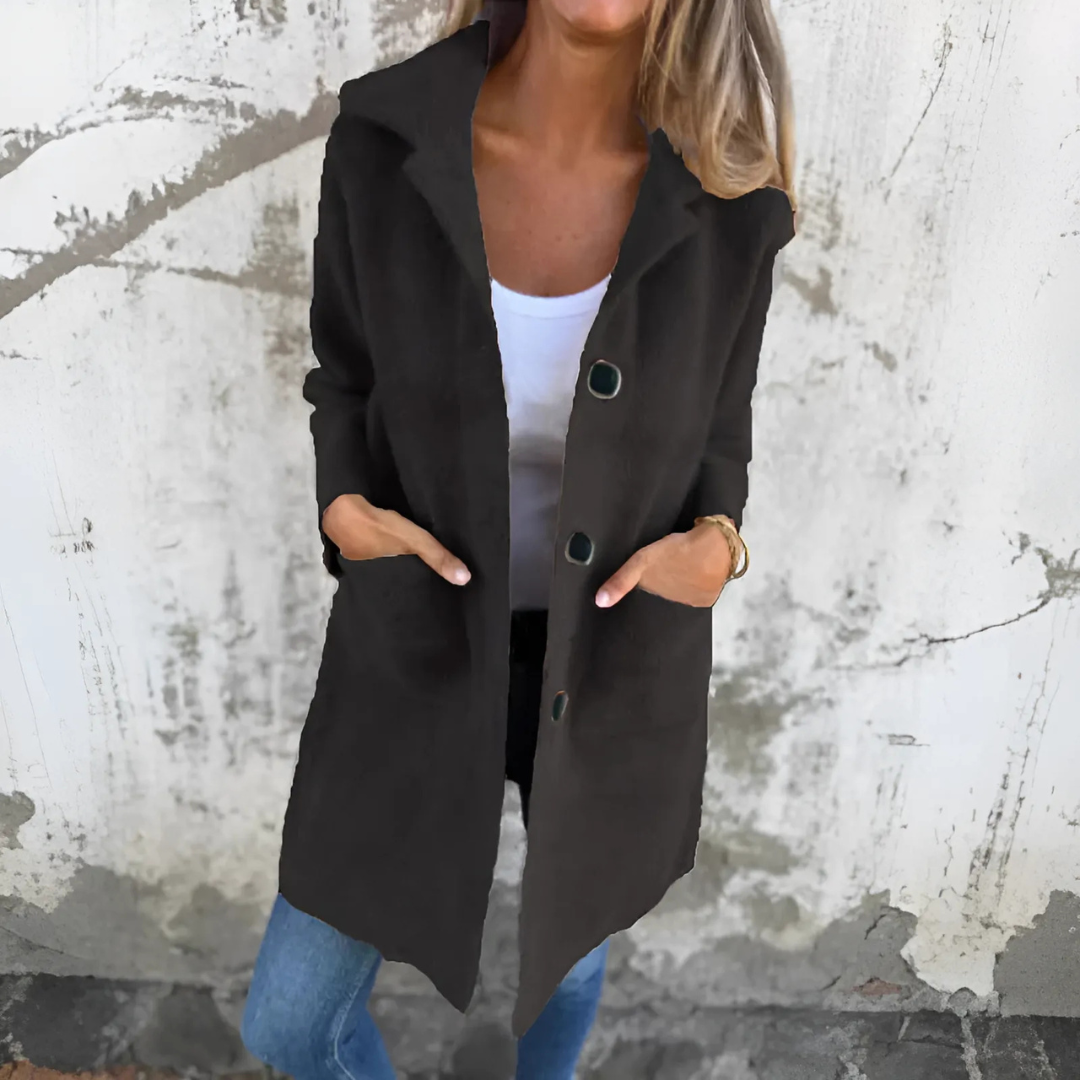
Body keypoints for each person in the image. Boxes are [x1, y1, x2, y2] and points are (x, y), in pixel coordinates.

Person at [241, 0, 796, 1073]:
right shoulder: (385, 140)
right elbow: (342, 373)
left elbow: (721, 429)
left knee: (568, 961)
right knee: (292, 1020)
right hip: (417, 635)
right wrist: (343, 506)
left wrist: (720, 544)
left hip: (615, 658)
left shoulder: (733, 195)